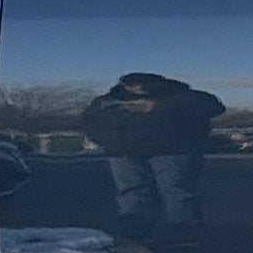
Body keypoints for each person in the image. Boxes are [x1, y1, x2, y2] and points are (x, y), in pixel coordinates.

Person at [81, 69, 222, 232]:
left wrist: (159, 107)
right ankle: (135, 229)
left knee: (176, 191)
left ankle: (184, 229)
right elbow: (89, 122)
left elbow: (214, 106)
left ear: (158, 83)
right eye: (133, 84)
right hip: (123, 153)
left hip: (173, 151)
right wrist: (107, 141)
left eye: (145, 83)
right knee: (132, 192)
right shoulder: (108, 101)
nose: (139, 88)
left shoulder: (181, 95)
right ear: (124, 85)